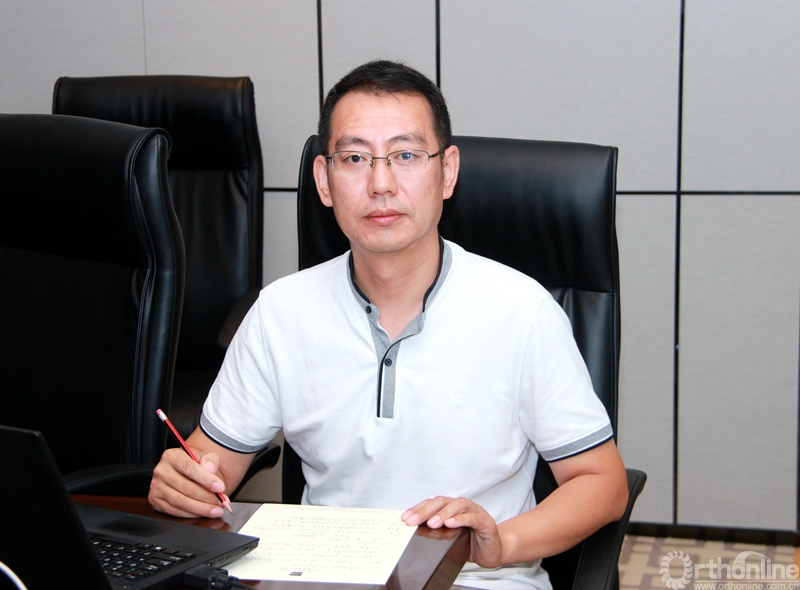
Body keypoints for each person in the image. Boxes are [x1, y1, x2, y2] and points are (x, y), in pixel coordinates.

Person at [149, 60, 628, 590]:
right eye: (354, 158)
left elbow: (603, 484)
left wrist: (499, 544)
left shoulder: (522, 310)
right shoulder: (280, 312)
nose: (380, 184)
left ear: (447, 172)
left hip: (474, 580)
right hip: (319, 577)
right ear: (324, 181)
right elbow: (213, 463)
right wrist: (185, 480)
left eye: (405, 155)